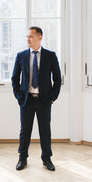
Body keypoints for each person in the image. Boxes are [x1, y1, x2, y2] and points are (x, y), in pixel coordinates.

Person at [11, 26, 62, 171]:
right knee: (24, 131)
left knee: (45, 130)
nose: (28, 39)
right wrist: (18, 95)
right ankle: (22, 158)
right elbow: (15, 78)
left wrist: (53, 97)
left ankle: (47, 159)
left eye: (31, 37)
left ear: (39, 38)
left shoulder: (50, 56)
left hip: (44, 100)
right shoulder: (21, 56)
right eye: (27, 36)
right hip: (26, 100)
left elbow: (57, 79)